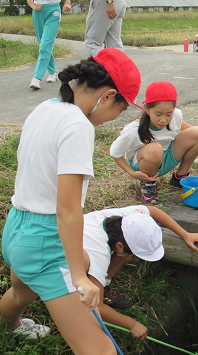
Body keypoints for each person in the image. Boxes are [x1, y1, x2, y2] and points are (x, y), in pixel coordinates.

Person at [0, 48, 141, 354]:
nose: (113, 119)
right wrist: (79, 277)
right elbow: (67, 209)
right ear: (107, 96)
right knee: (100, 350)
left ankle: (11, 327)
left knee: (20, 293)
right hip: (43, 240)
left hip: (16, 228)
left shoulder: (46, 107)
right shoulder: (78, 126)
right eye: (120, 110)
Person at [83, 205, 198, 339]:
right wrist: (132, 324)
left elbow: (153, 210)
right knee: (98, 265)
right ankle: (89, 289)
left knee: (125, 254)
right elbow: (96, 307)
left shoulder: (128, 220)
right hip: (70, 254)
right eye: (137, 257)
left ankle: (104, 288)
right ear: (119, 246)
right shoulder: (99, 254)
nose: (138, 260)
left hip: (91, 233)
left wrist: (185, 234)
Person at [110, 81, 198, 204]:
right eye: (158, 114)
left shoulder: (176, 115)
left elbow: (181, 124)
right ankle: (148, 184)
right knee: (155, 149)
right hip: (144, 163)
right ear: (147, 109)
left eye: (169, 114)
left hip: (166, 155)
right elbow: (115, 153)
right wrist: (132, 173)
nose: (163, 120)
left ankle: (179, 177)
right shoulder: (133, 130)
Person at [27, 0, 71, 90]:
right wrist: (33, 6)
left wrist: (67, 3)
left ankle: (37, 78)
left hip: (54, 10)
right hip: (38, 11)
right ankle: (52, 71)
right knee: (43, 45)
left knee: (45, 45)